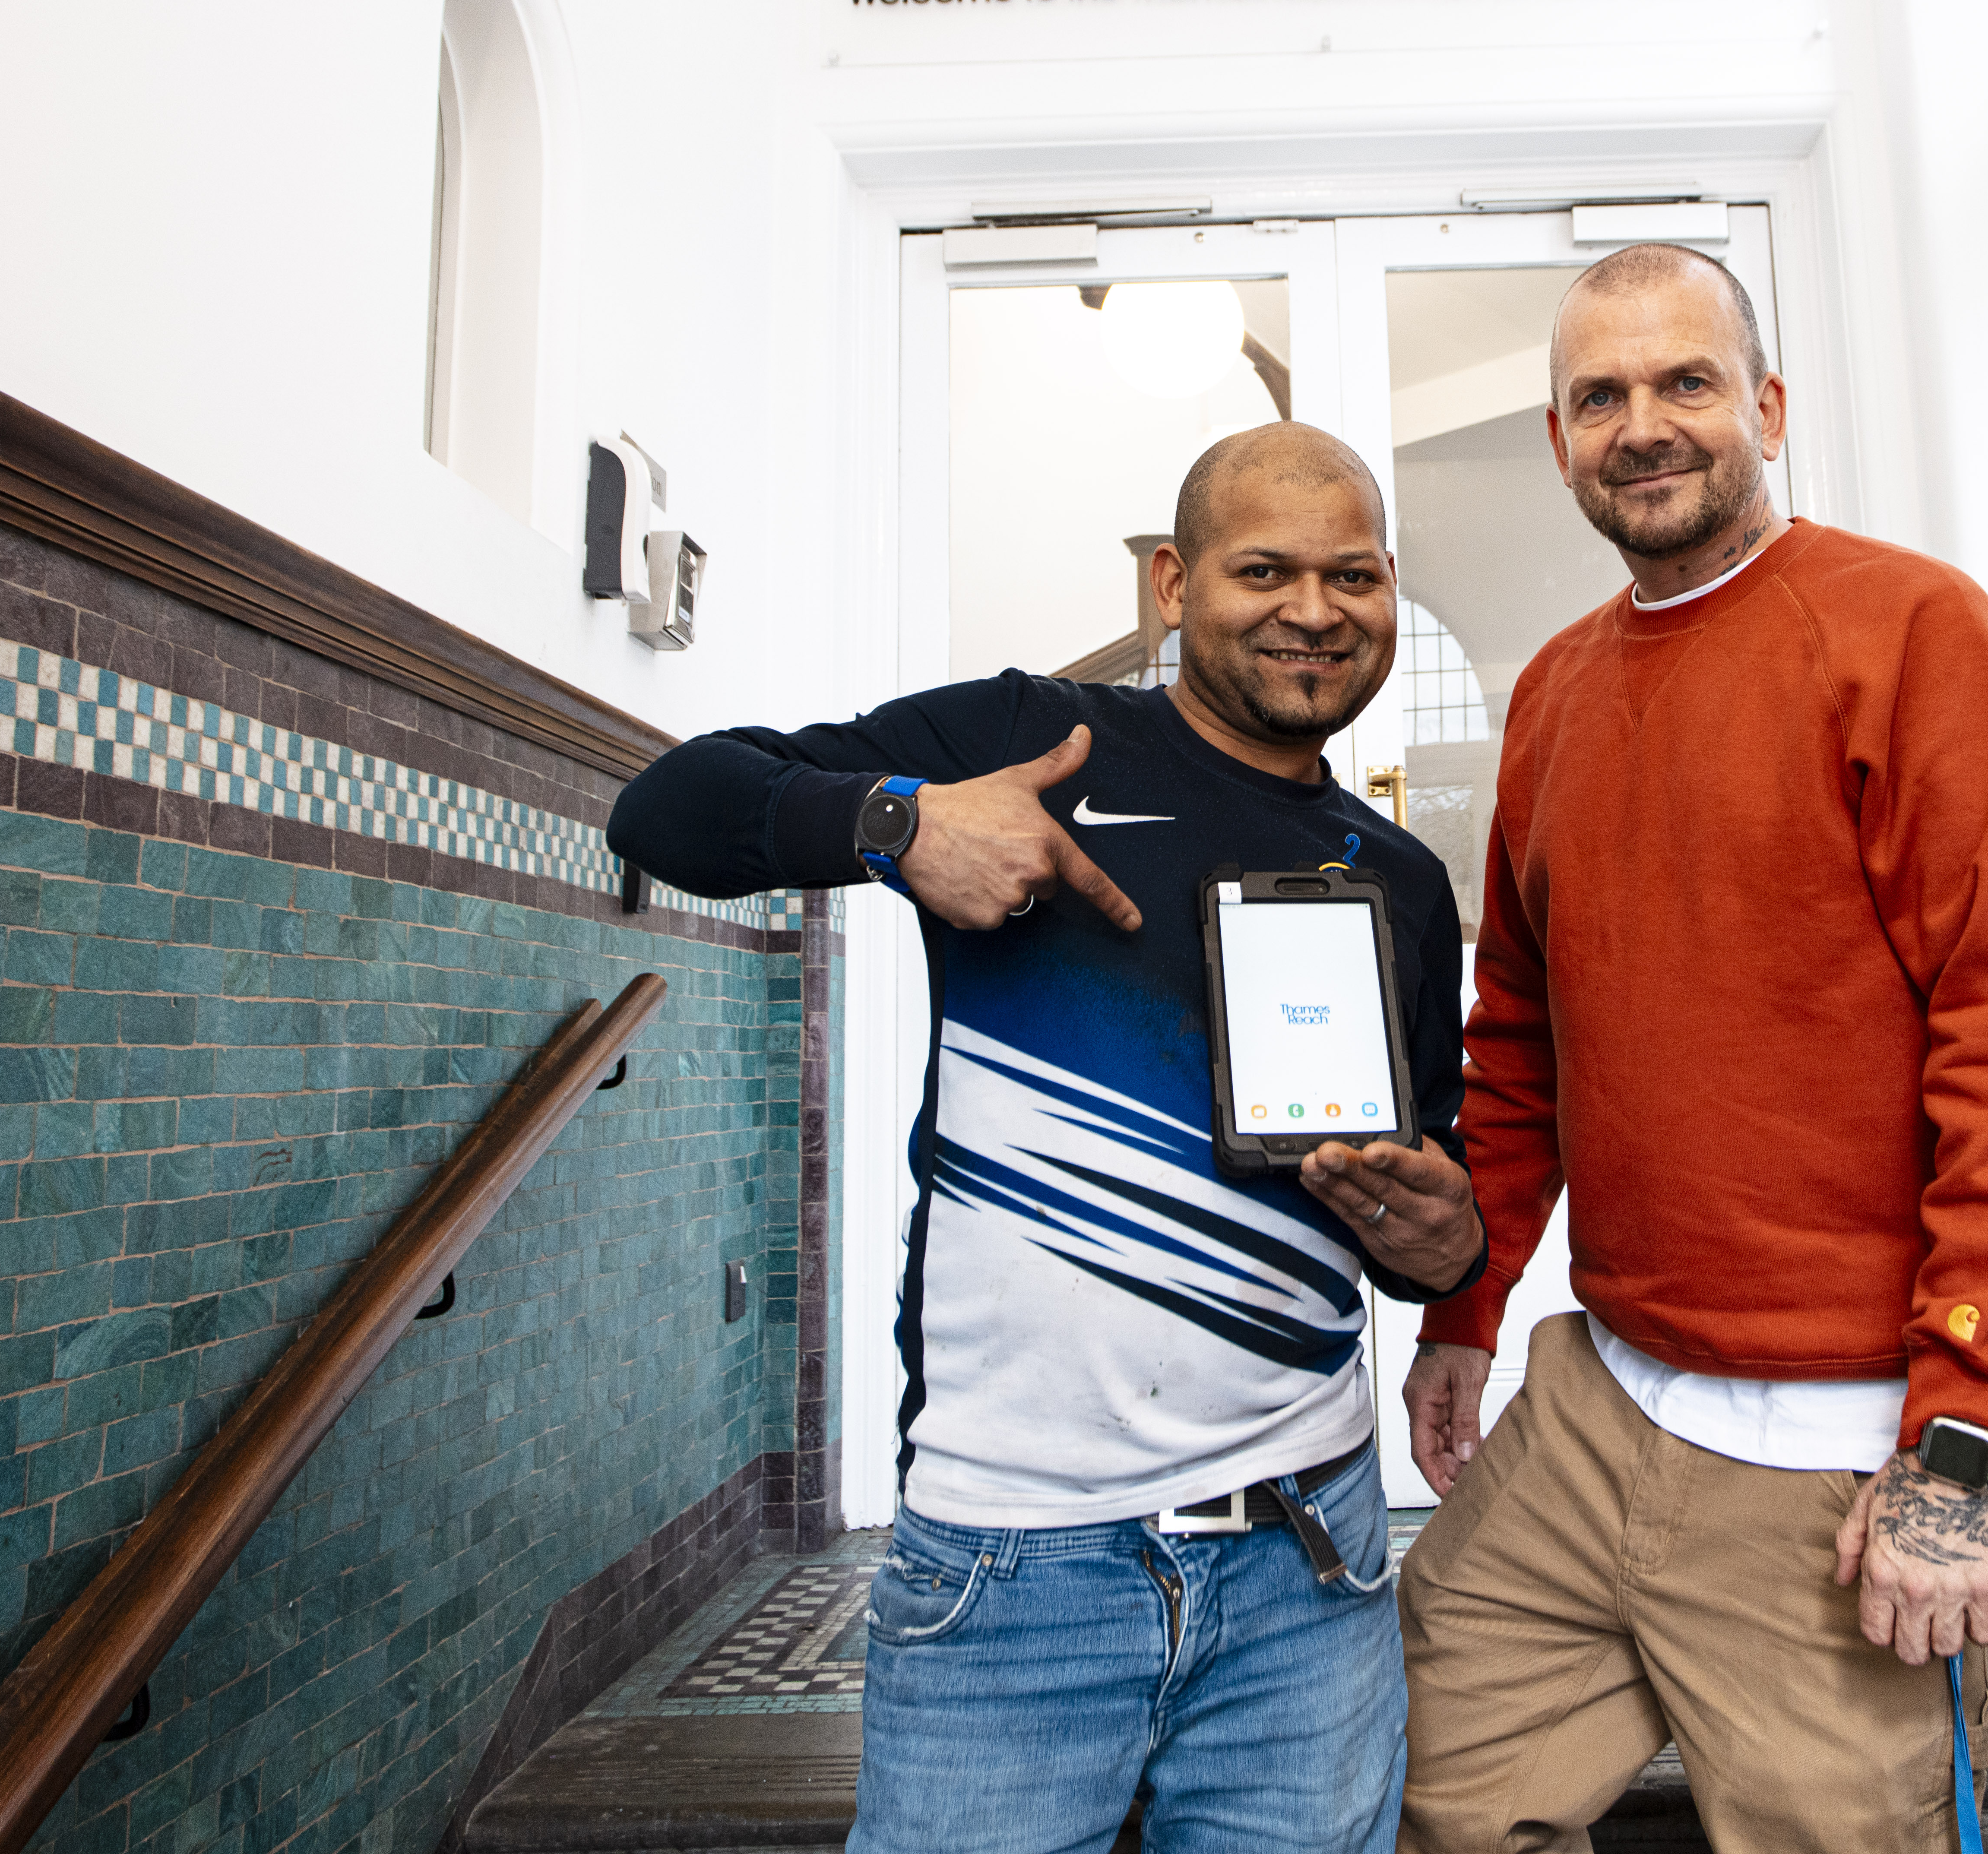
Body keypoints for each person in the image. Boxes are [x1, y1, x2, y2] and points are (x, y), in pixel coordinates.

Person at [610, 421, 1485, 1854]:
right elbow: (670, 809)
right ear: (1171, 582)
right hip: (1012, 1575)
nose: (1312, 610)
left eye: (1352, 577)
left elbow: (1426, 1198)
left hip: (1309, 1574)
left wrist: (1445, 1243)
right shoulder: (1031, 740)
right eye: (1263, 568)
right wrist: (895, 823)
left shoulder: (1393, 875)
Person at [1393, 244, 1988, 1853]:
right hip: (1597, 1406)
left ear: (1769, 408)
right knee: (1428, 1793)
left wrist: (1961, 1440)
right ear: (1559, 438)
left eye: (1686, 383)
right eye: (1602, 396)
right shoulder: (1555, 697)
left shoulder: (1918, 634)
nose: (1643, 425)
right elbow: (1519, 1041)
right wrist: (1469, 1307)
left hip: (1840, 1450)